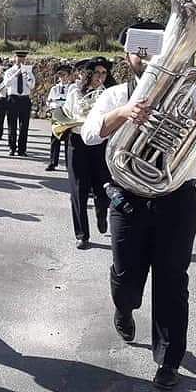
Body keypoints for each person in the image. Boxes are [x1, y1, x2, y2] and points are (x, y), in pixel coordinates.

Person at [81, 21, 196, 390]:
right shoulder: (116, 94)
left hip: (176, 199)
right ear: (127, 54)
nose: (147, 56)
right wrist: (125, 114)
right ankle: (124, 305)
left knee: (172, 281)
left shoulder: (193, 95)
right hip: (128, 197)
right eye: (139, 49)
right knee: (127, 276)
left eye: (156, 48)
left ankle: (169, 360)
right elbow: (90, 134)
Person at [66, 58, 114, 249]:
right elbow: (69, 112)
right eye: (96, 73)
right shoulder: (74, 91)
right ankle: (82, 235)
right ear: (88, 74)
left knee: (103, 186)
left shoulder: (109, 94)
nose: (100, 77)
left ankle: (102, 212)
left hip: (100, 143)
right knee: (78, 190)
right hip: (77, 142)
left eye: (103, 73)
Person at [2, 51, 36, 157]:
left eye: (23, 58)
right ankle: (12, 148)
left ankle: (22, 149)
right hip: (13, 99)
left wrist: (26, 76)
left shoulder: (29, 72)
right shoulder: (9, 71)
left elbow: (32, 86)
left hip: (25, 99)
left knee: (24, 126)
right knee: (12, 125)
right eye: (19, 58)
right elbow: (6, 84)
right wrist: (15, 75)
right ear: (14, 58)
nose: (21, 60)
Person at [45, 63, 73, 171]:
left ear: (69, 76)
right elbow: (49, 101)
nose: (62, 78)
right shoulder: (54, 89)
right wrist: (53, 107)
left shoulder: (71, 88)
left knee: (68, 141)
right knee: (55, 139)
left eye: (65, 75)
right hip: (57, 115)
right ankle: (53, 162)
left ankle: (68, 163)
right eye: (60, 76)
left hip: (67, 115)